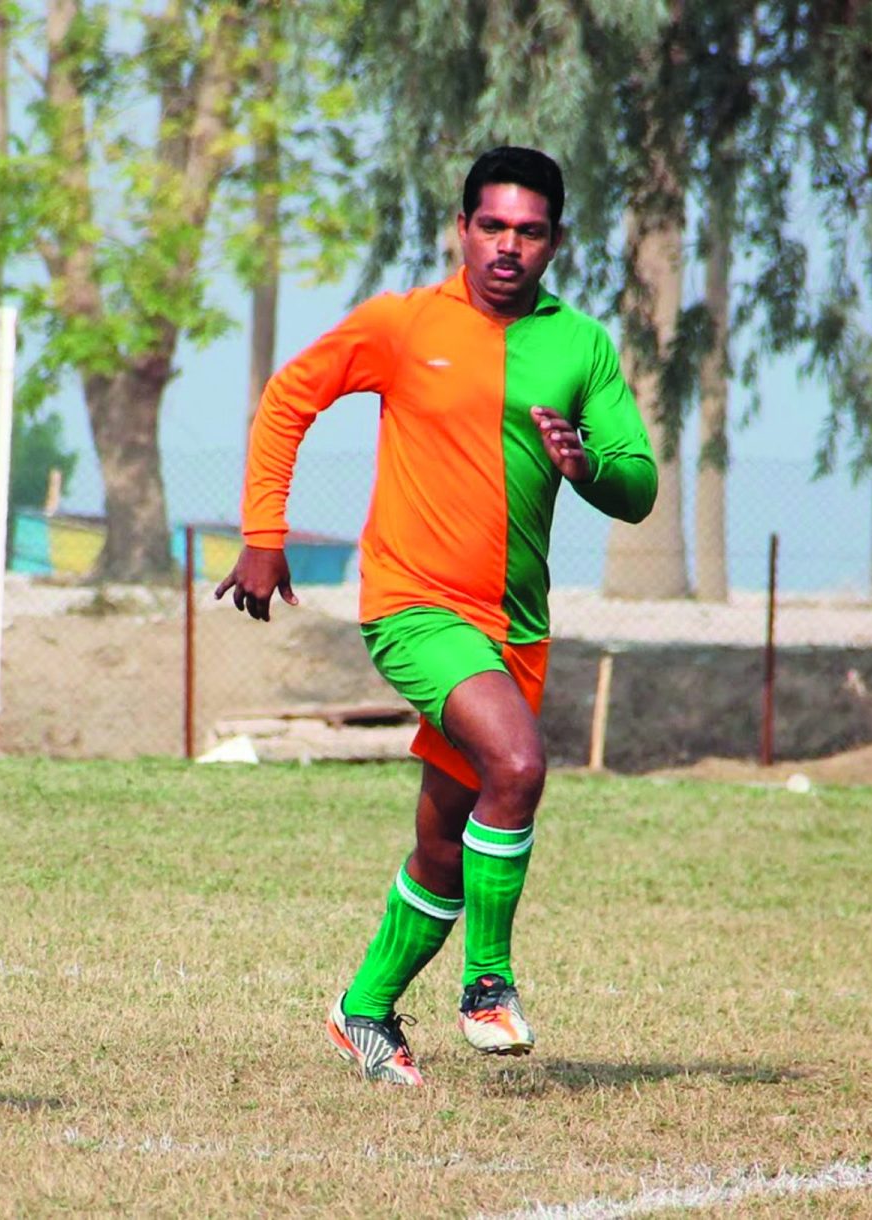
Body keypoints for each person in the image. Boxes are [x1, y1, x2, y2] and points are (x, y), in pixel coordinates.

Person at [216, 147, 657, 1085]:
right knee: (520, 763)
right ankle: (487, 983)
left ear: (555, 241)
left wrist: (585, 468)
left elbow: (640, 488)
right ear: (461, 229)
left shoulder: (580, 345)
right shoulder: (405, 324)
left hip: (516, 630)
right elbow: (292, 396)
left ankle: (363, 1010)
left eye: (528, 231)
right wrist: (265, 532)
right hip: (415, 605)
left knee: (445, 843)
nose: (508, 246)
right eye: (491, 226)